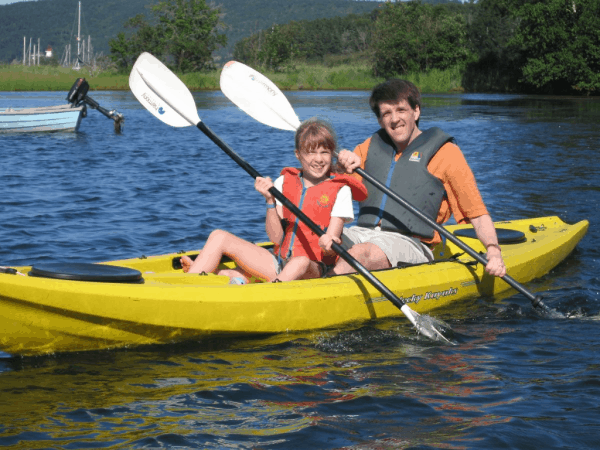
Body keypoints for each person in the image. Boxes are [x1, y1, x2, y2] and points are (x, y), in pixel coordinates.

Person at [333, 78, 506, 278]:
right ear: (380, 120)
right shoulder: (367, 148)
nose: (394, 119)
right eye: (387, 113)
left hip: (412, 244)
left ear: (416, 111)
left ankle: (321, 292)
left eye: (401, 110)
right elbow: (332, 193)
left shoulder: (446, 153)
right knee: (319, 241)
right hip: (362, 234)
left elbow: (476, 212)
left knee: (360, 254)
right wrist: (339, 167)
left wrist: (493, 250)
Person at [181, 118, 368, 284]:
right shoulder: (283, 182)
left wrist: (328, 243)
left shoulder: (341, 189)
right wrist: (270, 201)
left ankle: (260, 287)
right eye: (310, 152)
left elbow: (330, 251)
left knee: (299, 262)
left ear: (331, 154)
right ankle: (192, 282)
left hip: (313, 269)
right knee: (218, 235)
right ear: (298, 154)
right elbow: (276, 238)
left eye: (324, 152)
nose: (318, 159)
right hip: (279, 261)